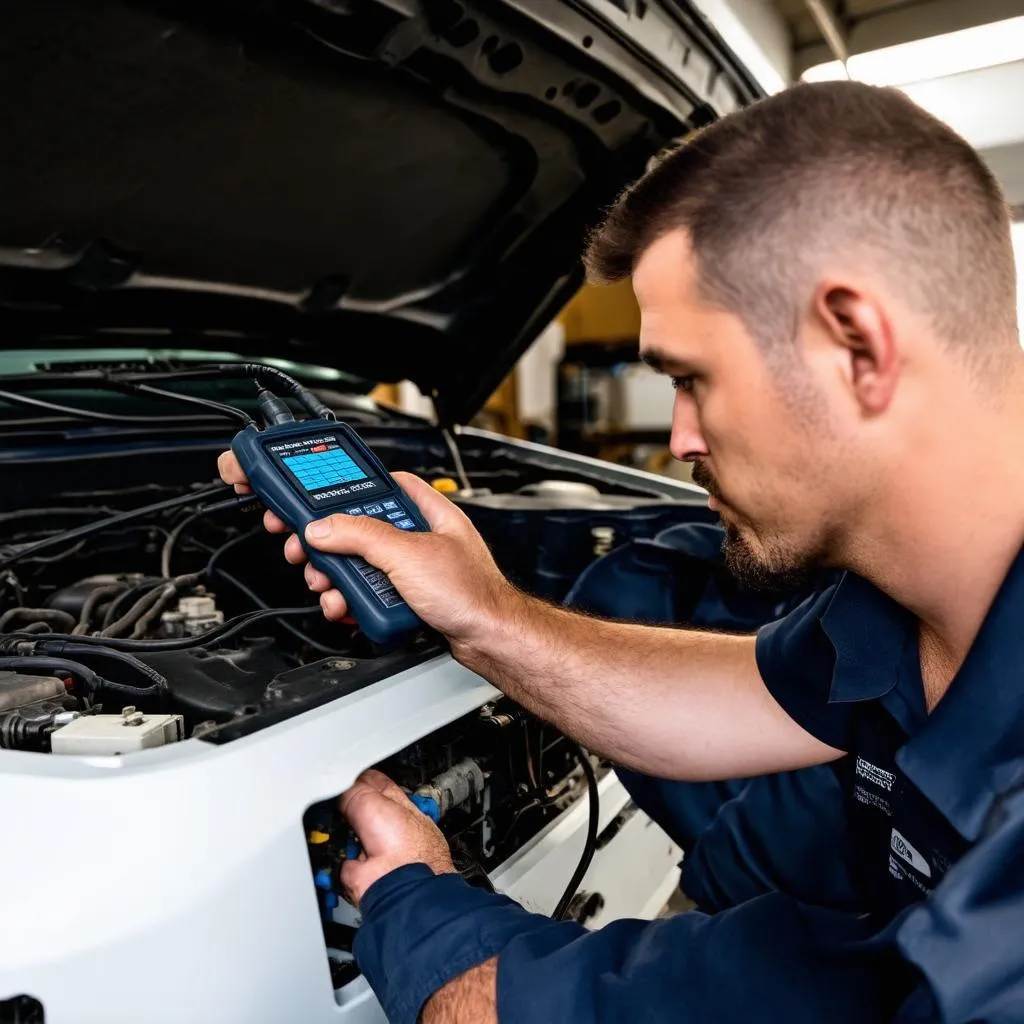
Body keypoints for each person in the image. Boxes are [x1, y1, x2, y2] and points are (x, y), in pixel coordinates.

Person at [218, 80, 1024, 1023]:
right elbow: (721, 703)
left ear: (857, 343)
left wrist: (415, 908)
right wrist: (484, 612)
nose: (678, 438)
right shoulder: (901, 610)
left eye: (692, 378)